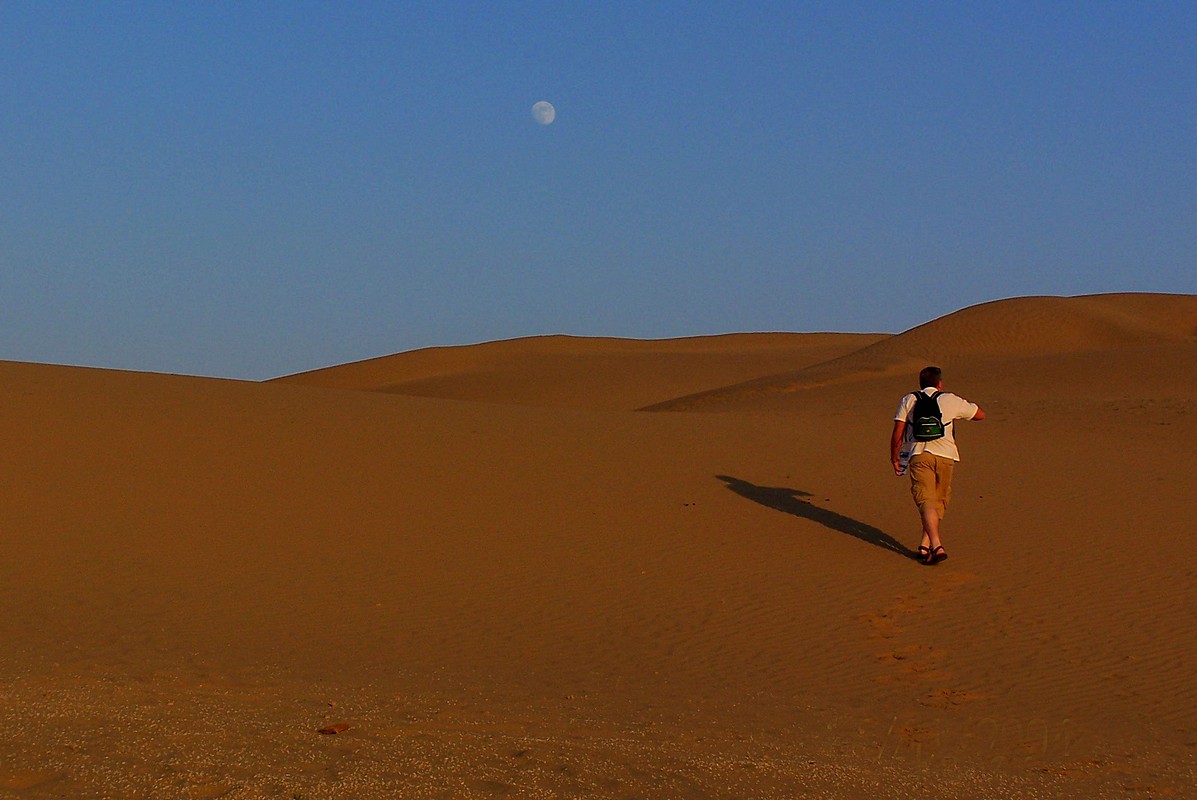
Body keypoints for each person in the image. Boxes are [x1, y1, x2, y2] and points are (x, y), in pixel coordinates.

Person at [890, 366, 985, 565]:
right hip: (946, 456)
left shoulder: (909, 399)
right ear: (939, 383)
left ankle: (928, 544)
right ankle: (935, 544)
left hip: (919, 455)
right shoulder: (949, 399)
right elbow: (980, 415)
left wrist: (894, 457)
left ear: (921, 383)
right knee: (939, 501)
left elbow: (898, 432)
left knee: (926, 501)